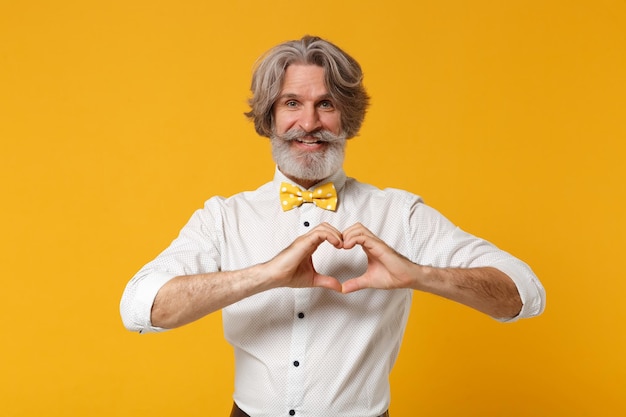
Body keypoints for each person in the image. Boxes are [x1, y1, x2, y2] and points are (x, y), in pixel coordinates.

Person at [120, 35, 546, 417]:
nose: (308, 124)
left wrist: (419, 275)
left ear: (348, 116)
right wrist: (266, 275)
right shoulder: (223, 218)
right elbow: (140, 307)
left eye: (326, 104)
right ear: (269, 116)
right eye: (292, 103)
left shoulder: (400, 214)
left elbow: (525, 294)